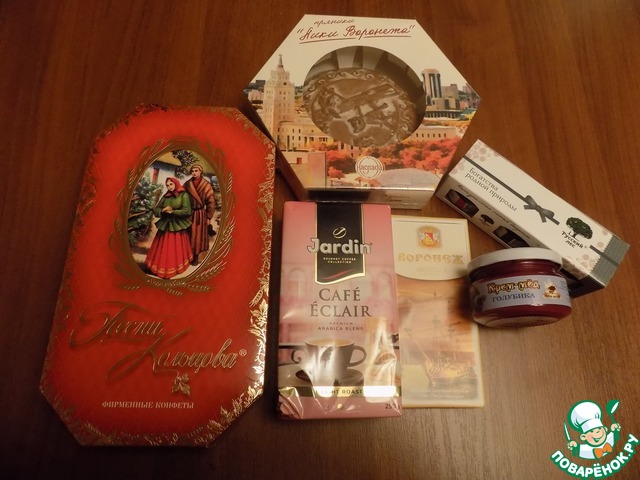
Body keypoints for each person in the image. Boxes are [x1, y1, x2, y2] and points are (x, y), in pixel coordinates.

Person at [144, 177, 193, 279]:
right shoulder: (166, 196)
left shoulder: (184, 195)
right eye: (167, 185)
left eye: (171, 184)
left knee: (175, 248)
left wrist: (173, 212)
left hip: (178, 225)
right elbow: (156, 210)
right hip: (165, 225)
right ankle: (160, 269)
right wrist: (162, 210)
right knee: (162, 248)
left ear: (176, 183)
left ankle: (174, 269)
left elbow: (187, 211)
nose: (169, 187)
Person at [183, 164, 216, 265]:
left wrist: (208, 216)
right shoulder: (187, 184)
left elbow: (211, 201)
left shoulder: (206, 185)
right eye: (192, 171)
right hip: (189, 213)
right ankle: (186, 257)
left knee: (197, 238)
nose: (194, 173)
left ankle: (195, 258)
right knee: (187, 235)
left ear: (200, 172)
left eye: (196, 170)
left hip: (200, 215)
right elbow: (181, 196)